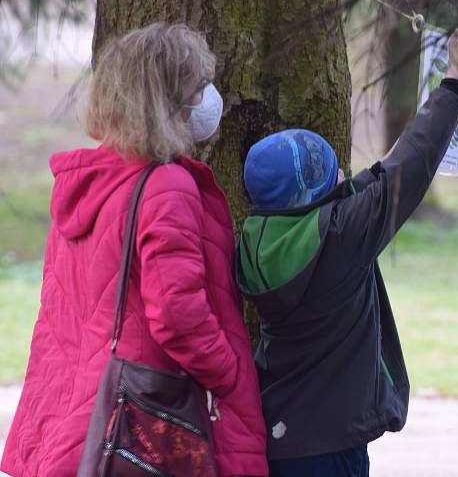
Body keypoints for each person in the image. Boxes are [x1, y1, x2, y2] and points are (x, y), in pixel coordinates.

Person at [1, 23, 268, 477]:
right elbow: (178, 316)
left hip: (76, 421)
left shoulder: (86, 183)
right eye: (200, 87)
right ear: (169, 99)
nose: (209, 98)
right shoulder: (166, 186)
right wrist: (231, 374)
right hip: (140, 424)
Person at [235, 28, 458, 476]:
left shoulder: (254, 238)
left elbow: (364, 188)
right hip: (331, 444)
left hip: (281, 434)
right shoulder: (341, 237)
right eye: (329, 173)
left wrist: (350, 183)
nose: (341, 174)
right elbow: (409, 168)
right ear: (311, 193)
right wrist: (454, 83)